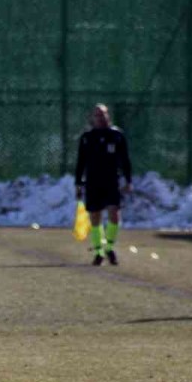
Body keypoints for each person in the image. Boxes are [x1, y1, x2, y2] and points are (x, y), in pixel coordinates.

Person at [74, 103, 132, 266]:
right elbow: (81, 162)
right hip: (93, 182)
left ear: (108, 116)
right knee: (95, 216)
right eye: (97, 115)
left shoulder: (117, 135)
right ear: (92, 118)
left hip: (111, 181)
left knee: (114, 213)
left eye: (103, 114)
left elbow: (125, 160)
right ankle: (99, 251)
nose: (101, 117)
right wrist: (78, 183)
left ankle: (109, 247)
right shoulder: (87, 137)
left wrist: (128, 180)